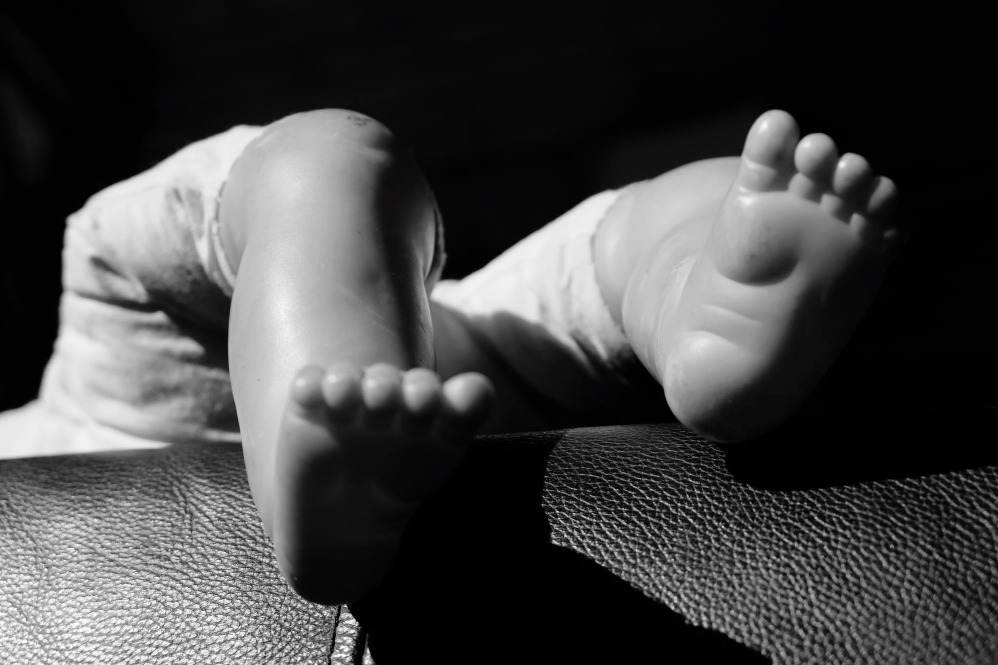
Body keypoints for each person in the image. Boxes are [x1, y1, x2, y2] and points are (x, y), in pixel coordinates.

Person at [0, 108, 899, 604]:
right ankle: (681, 283)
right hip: (478, 380)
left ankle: (702, 287)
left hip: (142, 377)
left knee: (323, 165)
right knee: (344, 166)